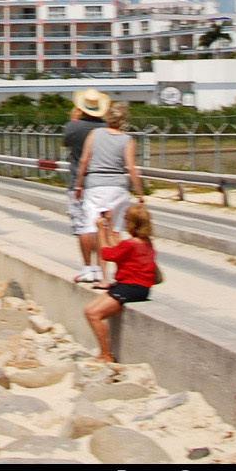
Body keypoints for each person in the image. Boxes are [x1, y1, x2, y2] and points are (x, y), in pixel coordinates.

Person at [75, 101, 146, 284]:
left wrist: (79, 185)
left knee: (96, 230)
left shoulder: (95, 134)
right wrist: (139, 192)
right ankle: (123, 273)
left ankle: (102, 277)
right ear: (124, 120)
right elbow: (131, 168)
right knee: (115, 233)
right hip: (117, 186)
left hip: (95, 184)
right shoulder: (127, 140)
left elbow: (84, 161)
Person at [83, 201, 159, 362]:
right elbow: (118, 248)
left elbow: (107, 254)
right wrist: (108, 226)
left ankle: (105, 354)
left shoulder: (131, 245)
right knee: (89, 309)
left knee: (93, 314)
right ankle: (104, 353)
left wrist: (100, 231)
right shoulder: (145, 242)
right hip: (134, 286)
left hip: (131, 288)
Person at [63, 89, 111, 283]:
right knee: (100, 227)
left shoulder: (74, 128)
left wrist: (73, 121)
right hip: (102, 181)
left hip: (79, 182)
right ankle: (101, 269)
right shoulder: (106, 128)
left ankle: (87, 268)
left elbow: (66, 142)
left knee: (83, 227)